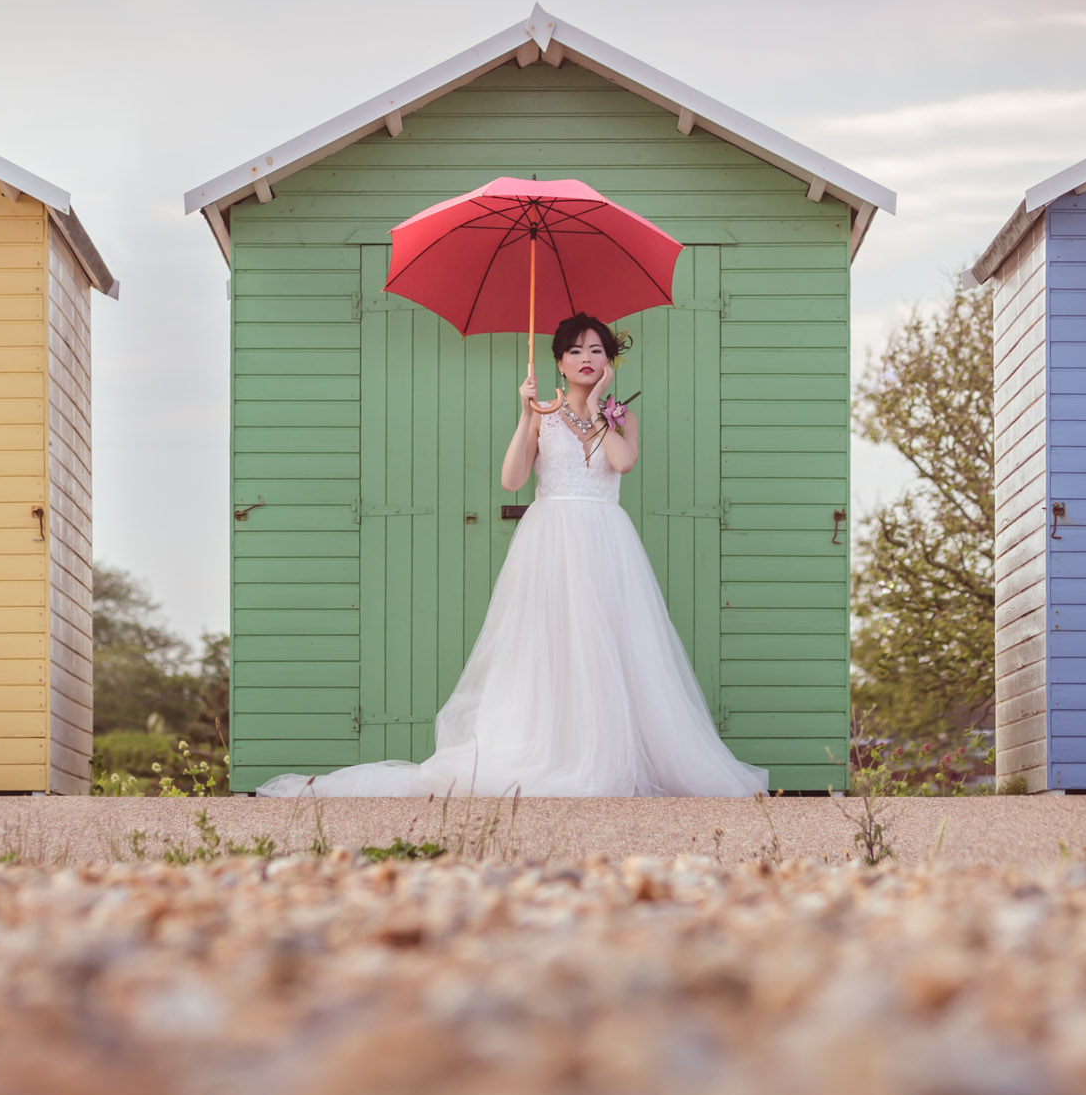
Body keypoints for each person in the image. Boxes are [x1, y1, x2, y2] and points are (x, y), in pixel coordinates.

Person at [258, 313, 769, 798]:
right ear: (558, 361)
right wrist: (526, 415)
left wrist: (595, 409)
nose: (585, 357)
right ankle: (547, 747)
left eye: (596, 350)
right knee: (545, 645)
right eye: (574, 350)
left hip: (605, 538)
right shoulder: (543, 414)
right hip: (549, 538)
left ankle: (605, 753)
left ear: (610, 361)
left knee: (611, 644)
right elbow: (512, 479)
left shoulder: (620, 416)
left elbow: (623, 462)